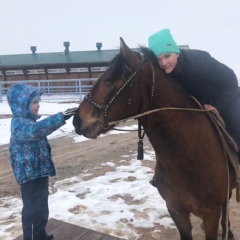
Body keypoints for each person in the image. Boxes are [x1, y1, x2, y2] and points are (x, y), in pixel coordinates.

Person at [148, 29, 240, 187]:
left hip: (227, 97)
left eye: (167, 56)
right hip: (198, 104)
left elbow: (230, 79)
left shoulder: (200, 61)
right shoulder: (164, 72)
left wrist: (218, 106)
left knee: (237, 129)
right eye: (159, 59)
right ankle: (165, 174)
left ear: (176, 52)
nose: (163, 63)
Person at [7, 83, 78, 240]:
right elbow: (36, 131)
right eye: (34, 102)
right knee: (33, 211)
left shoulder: (28, 121)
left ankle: (38, 235)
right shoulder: (19, 124)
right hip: (30, 176)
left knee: (40, 210)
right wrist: (61, 117)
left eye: (38, 101)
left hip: (38, 173)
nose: (38, 105)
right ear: (21, 106)